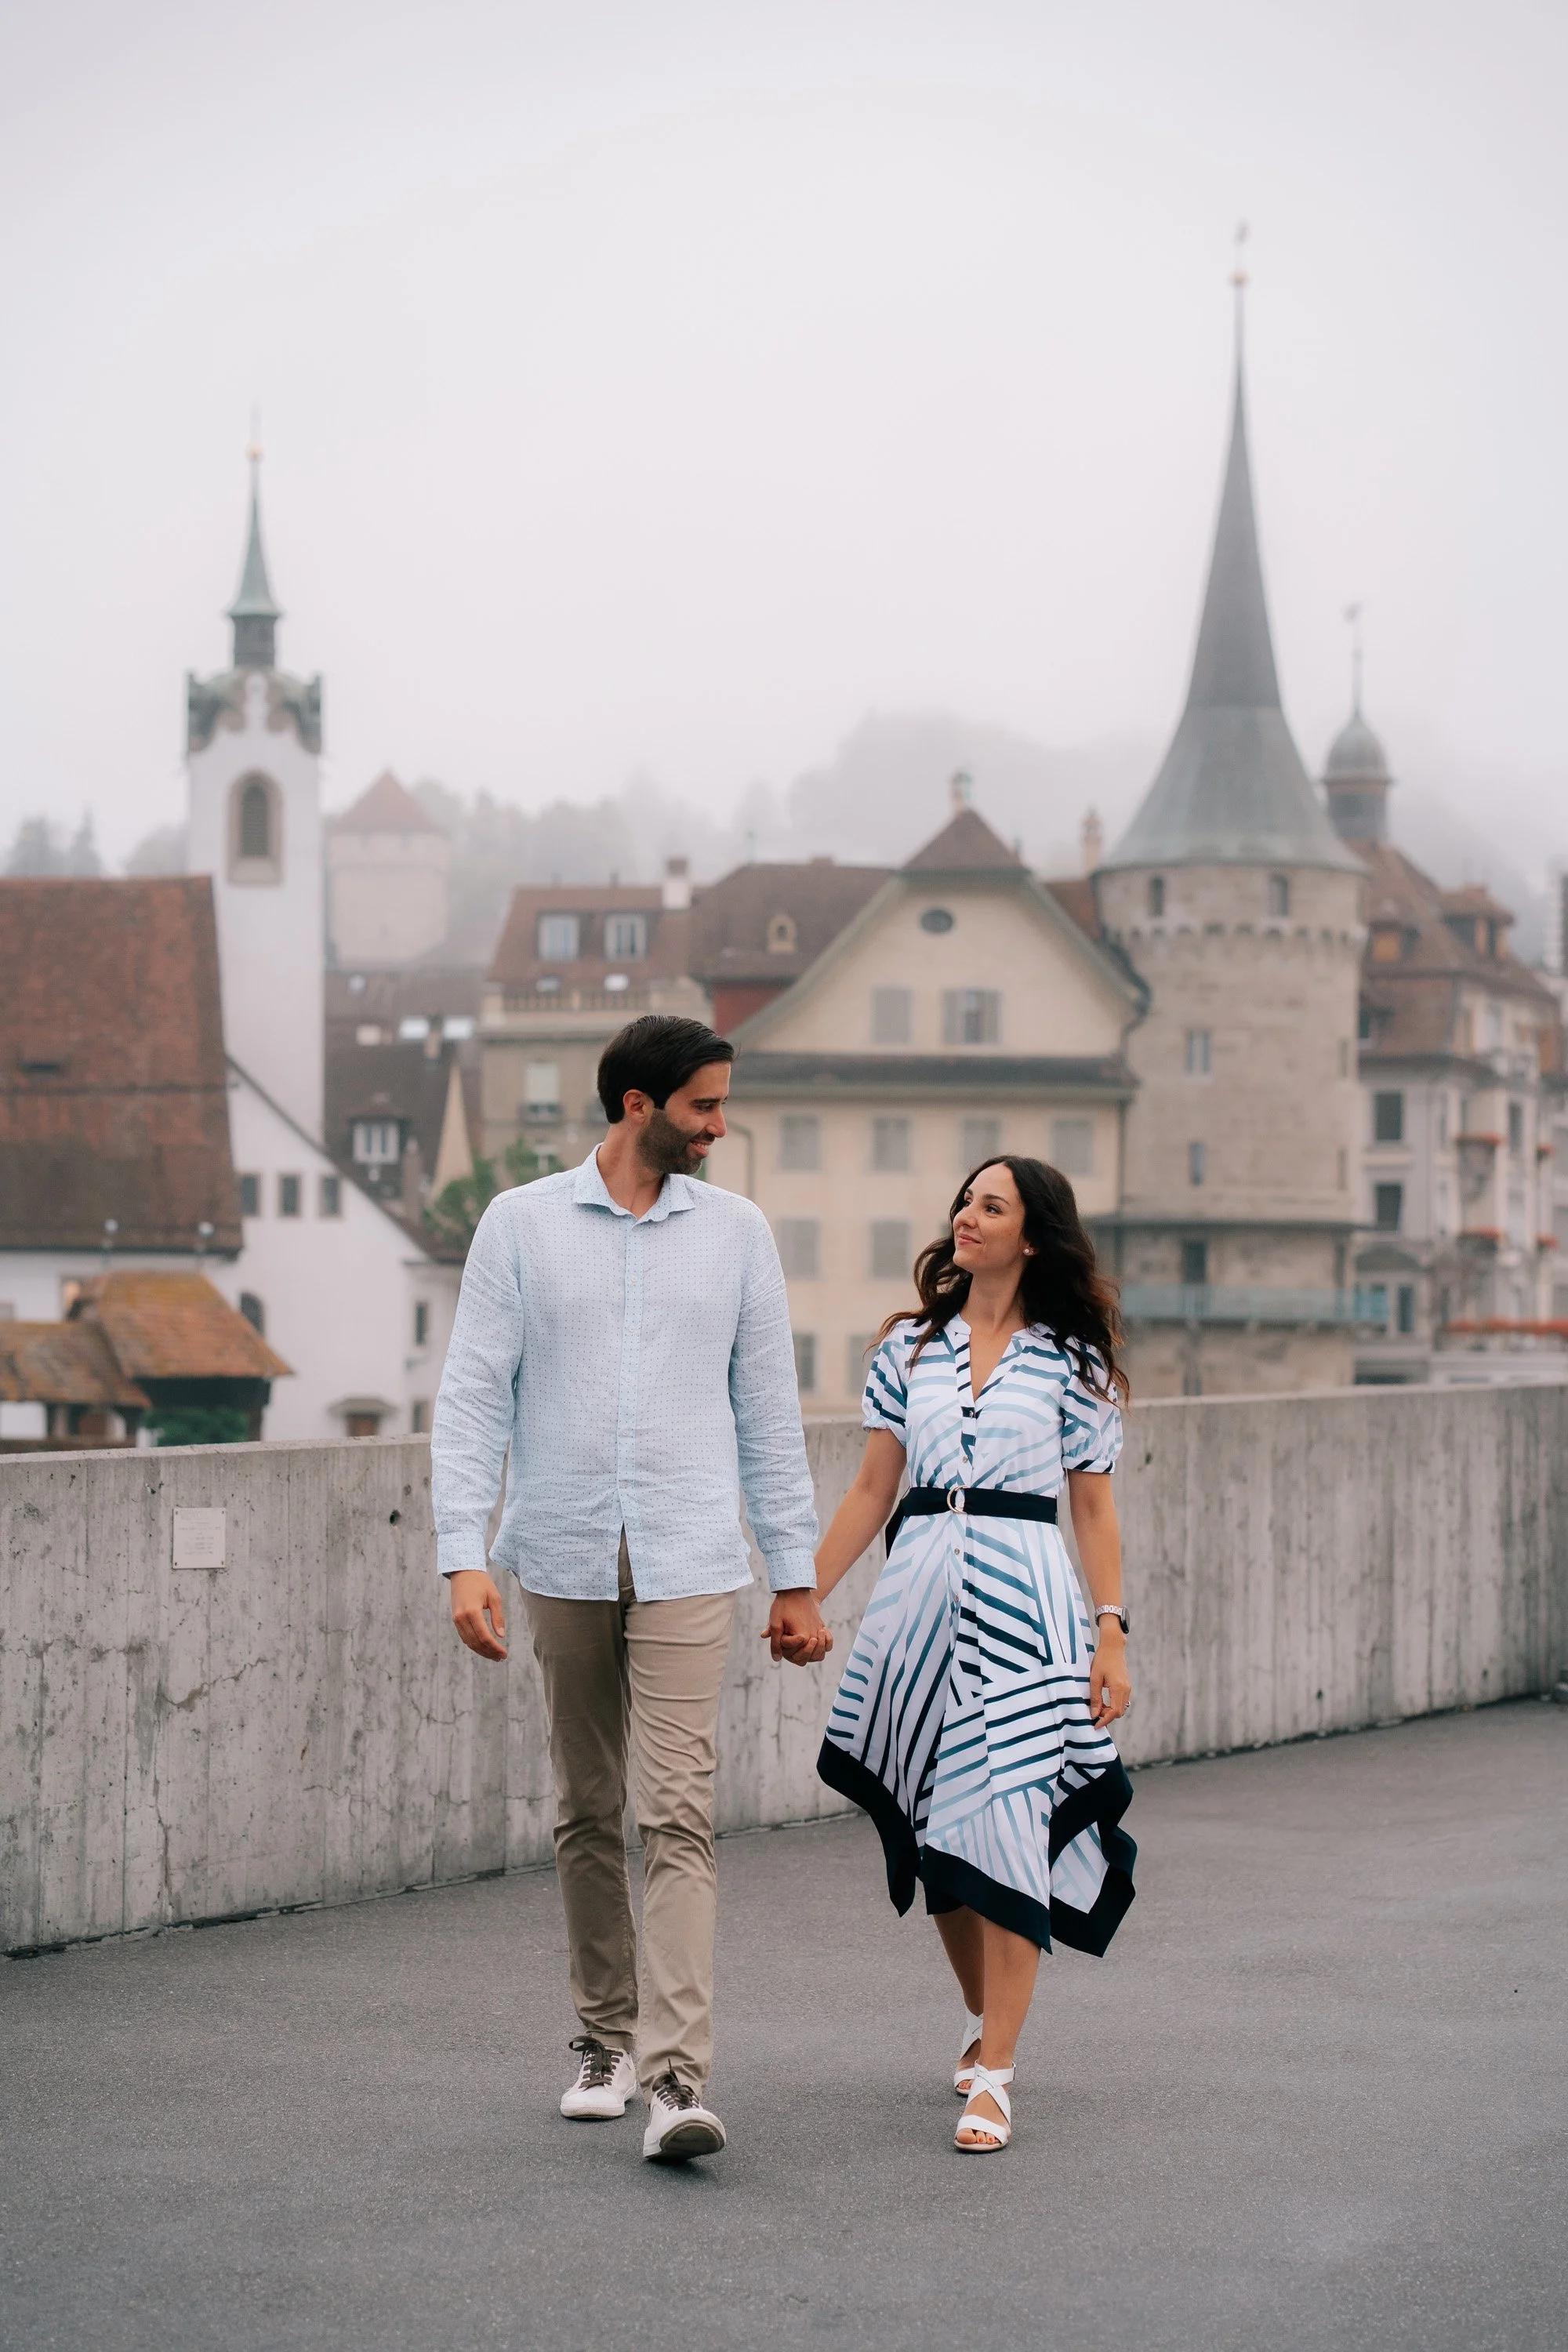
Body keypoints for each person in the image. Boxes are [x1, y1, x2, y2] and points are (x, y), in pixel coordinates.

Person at [431, 1013, 829, 2165]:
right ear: (638, 1105)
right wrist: (466, 1552)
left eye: (722, 1103)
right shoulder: (521, 1226)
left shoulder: (739, 1235)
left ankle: (678, 2077)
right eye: (704, 1105)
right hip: (557, 1548)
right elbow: (472, 1399)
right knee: (586, 1809)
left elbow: (767, 1410)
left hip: (692, 1555)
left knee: (679, 1810)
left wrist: (793, 1575)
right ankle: (602, 2041)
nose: (721, 1125)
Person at [812, 1156, 1136, 2154]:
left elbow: (1091, 1506)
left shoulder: (1070, 1362)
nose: (965, 1215)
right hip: (916, 1599)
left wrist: (1110, 1628)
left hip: (1027, 1601)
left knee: (1004, 1821)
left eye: (989, 1205)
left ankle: (994, 2073)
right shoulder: (906, 1349)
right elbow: (873, 1489)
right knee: (934, 1827)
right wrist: (801, 1593)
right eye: (962, 1200)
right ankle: (976, 2014)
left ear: (1030, 1234)